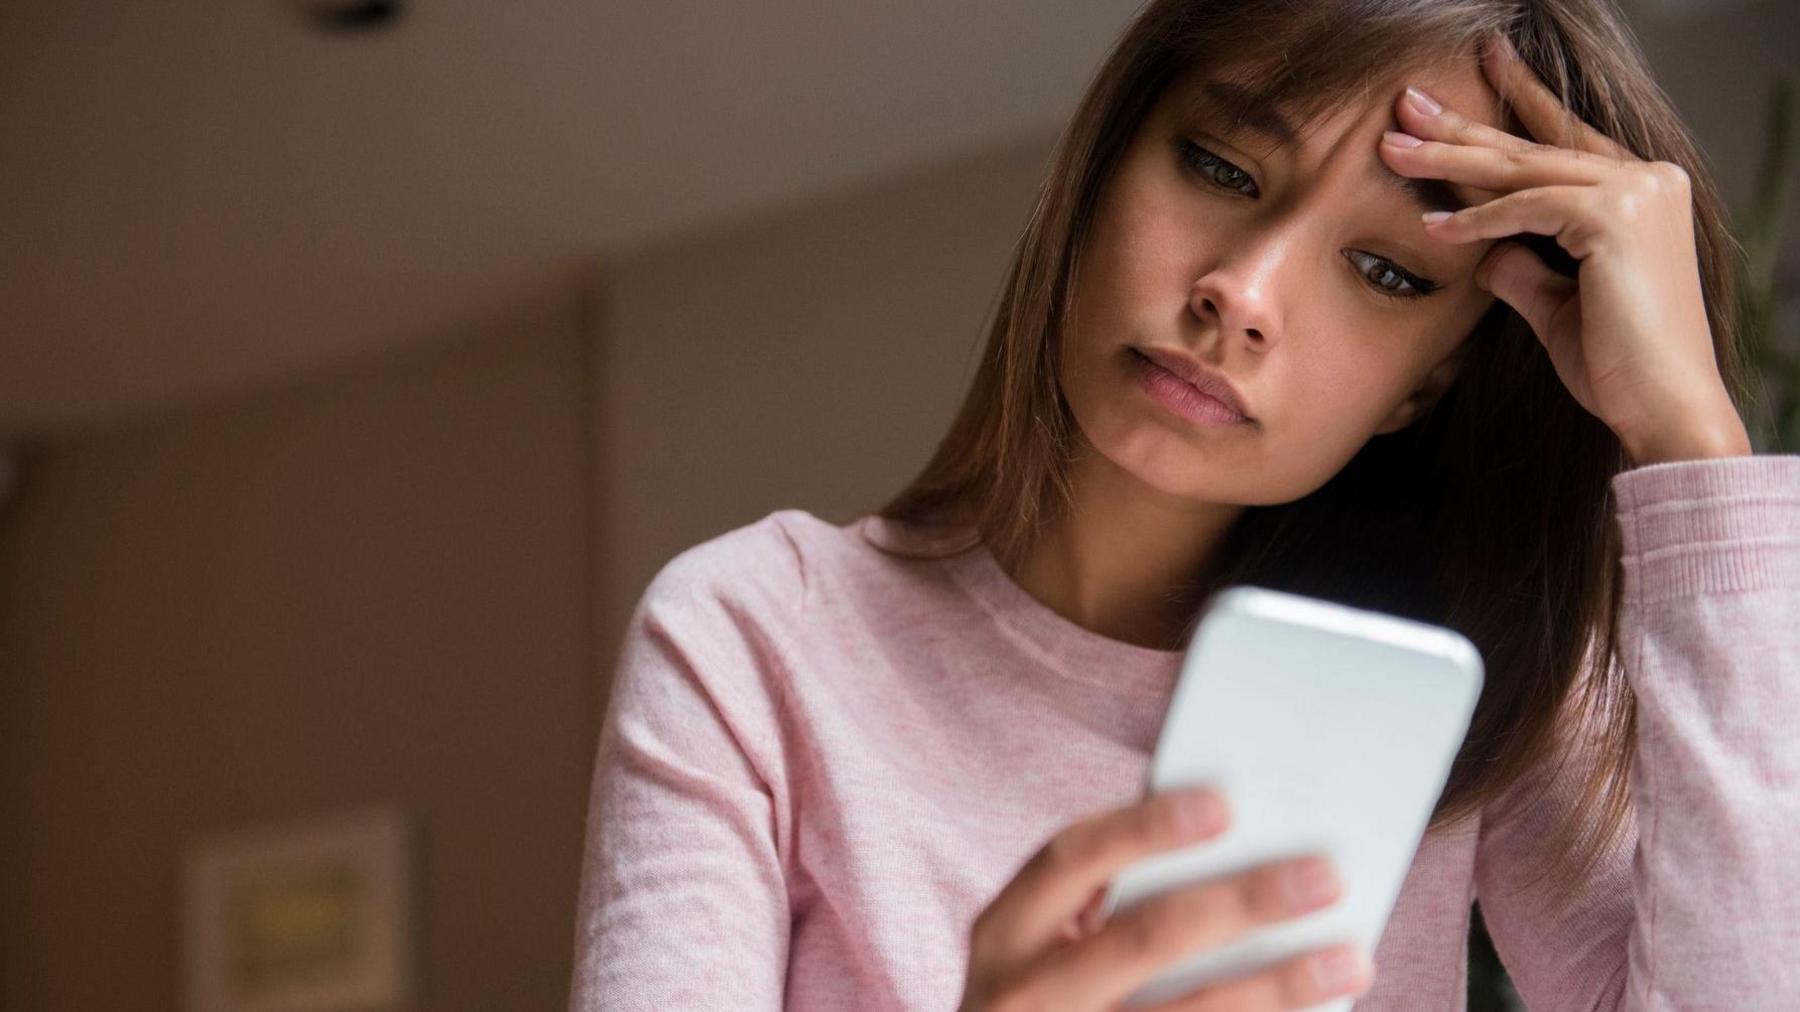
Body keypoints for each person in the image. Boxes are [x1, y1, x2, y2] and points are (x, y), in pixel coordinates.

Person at [568, 2, 1800, 1008]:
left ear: (1423, 386)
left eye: (1385, 272)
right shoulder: (752, 638)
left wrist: (1689, 436)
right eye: (1223, 167)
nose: (1243, 292)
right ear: (1102, 168)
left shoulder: (1483, 680)